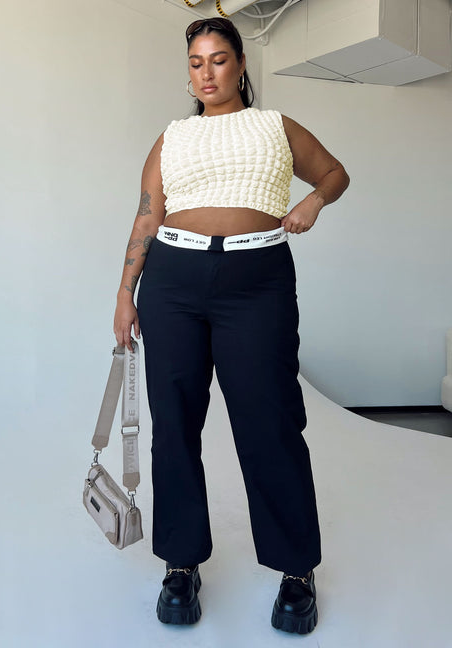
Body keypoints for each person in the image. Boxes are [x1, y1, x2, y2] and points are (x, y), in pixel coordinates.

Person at [114, 17, 349, 635]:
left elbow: (335, 173)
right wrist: (124, 293)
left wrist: (311, 202)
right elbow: (146, 217)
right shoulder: (173, 137)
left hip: (256, 279)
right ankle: (180, 563)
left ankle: (296, 570)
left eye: (218, 59)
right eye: (196, 62)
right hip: (172, 283)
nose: (206, 73)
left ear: (241, 64)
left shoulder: (276, 127)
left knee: (270, 422)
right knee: (174, 424)